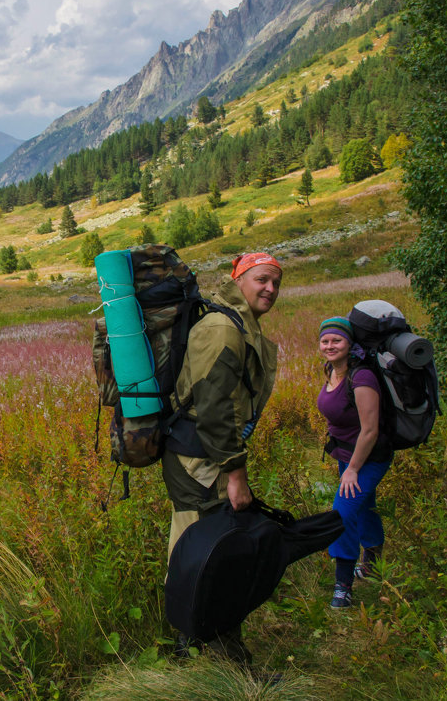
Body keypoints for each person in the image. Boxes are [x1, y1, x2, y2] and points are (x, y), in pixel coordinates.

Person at [162, 252, 281, 661]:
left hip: (199, 455)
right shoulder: (222, 328)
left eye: (276, 282)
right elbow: (214, 411)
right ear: (239, 278)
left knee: (199, 547)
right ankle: (209, 655)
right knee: (208, 554)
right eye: (261, 279)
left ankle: (196, 647)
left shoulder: (235, 324)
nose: (270, 288)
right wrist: (236, 473)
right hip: (200, 459)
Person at [316, 315, 392, 608]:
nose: (330, 345)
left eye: (337, 340)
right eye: (325, 340)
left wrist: (354, 470)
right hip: (346, 454)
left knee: (342, 514)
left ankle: (343, 586)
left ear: (350, 344)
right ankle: (372, 563)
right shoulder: (332, 370)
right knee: (363, 508)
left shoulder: (362, 377)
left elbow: (370, 430)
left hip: (368, 458)